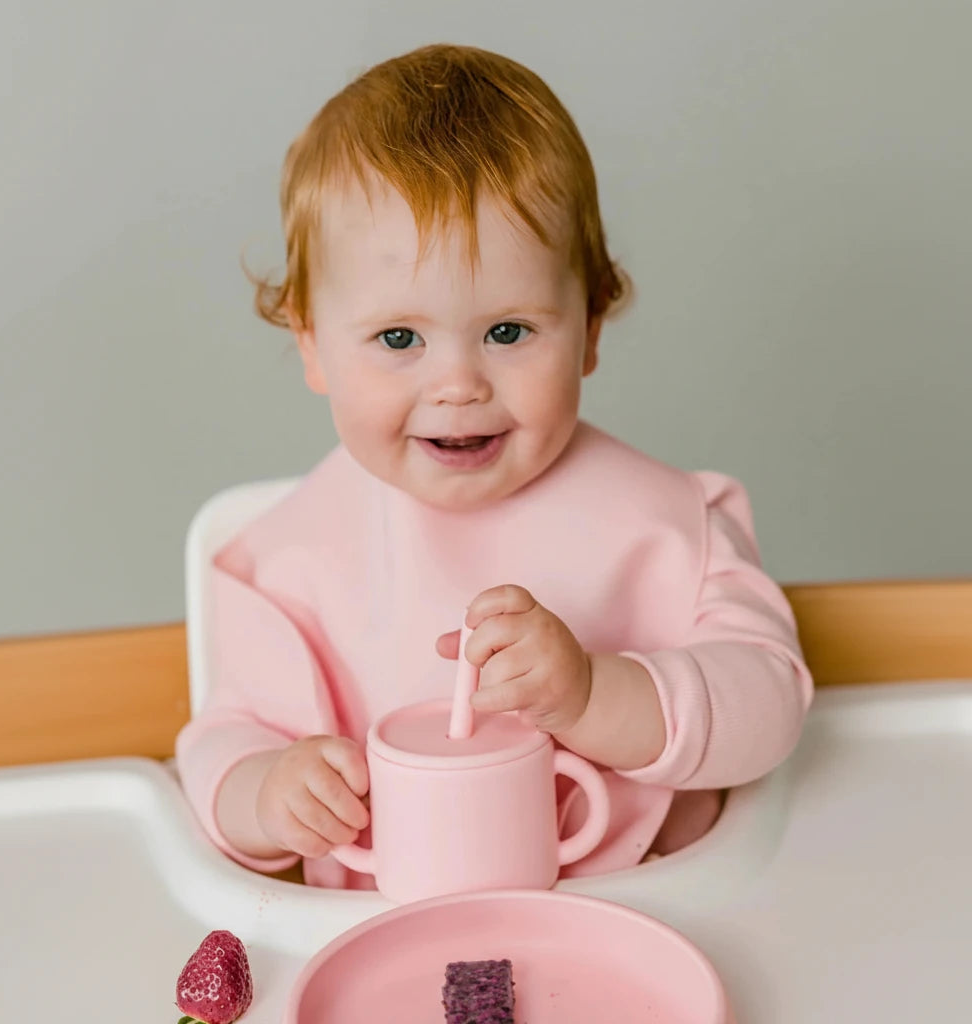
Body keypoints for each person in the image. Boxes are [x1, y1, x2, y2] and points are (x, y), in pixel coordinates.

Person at [175, 43, 813, 888]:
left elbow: (770, 704)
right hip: (392, 945)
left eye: (508, 332)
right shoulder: (288, 560)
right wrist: (265, 795)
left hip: (646, 917)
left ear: (588, 327)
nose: (459, 385)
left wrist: (593, 696)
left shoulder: (668, 522)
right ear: (313, 346)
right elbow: (223, 737)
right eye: (398, 339)